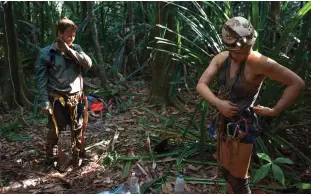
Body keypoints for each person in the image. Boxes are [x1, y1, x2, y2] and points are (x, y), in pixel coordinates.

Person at [196, 16, 305, 194]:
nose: (241, 54)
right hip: (225, 121)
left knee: (238, 179)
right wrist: (218, 103)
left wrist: (275, 110)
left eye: (246, 49)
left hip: (243, 124)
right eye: (236, 51)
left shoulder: (258, 61)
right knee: (226, 172)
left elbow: (296, 83)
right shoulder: (222, 58)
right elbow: (201, 84)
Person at [35, 18, 92, 169]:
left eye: (73, 35)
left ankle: (77, 156)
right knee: (55, 129)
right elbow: (41, 80)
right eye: (68, 35)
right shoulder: (46, 53)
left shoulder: (76, 48)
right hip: (57, 98)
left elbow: (88, 63)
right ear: (59, 34)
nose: (72, 38)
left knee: (78, 127)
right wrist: (44, 101)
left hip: (76, 97)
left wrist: (69, 51)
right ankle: (49, 159)